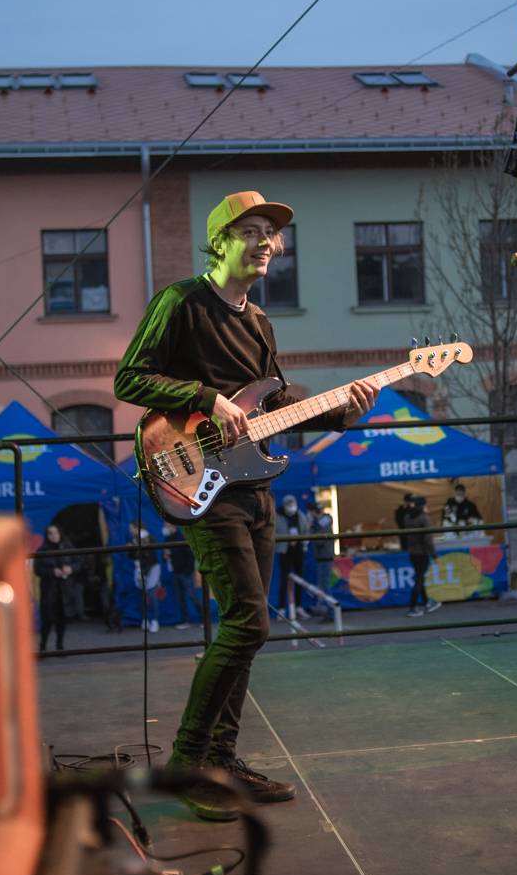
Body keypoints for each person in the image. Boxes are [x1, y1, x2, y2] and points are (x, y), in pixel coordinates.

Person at [115, 189, 377, 821]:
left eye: (273, 235)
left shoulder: (259, 323)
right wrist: (208, 398)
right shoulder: (181, 302)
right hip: (196, 482)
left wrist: (341, 411)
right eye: (255, 231)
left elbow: (275, 409)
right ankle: (186, 764)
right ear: (222, 241)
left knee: (248, 630)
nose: (269, 243)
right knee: (248, 622)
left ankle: (220, 759)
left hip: (252, 489)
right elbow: (129, 378)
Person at [35, 524, 77, 652]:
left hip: (64, 590)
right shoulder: (42, 550)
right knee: (47, 619)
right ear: (47, 535)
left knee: (62, 620)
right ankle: (43, 646)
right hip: (49, 590)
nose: (54, 536)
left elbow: (79, 562)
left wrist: (71, 569)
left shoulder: (68, 547)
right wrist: (52, 572)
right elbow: (37, 569)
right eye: (51, 533)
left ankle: (60, 646)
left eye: (56, 533)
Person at [396, 492, 439, 616]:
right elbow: (428, 539)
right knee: (419, 579)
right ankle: (413, 607)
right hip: (422, 553)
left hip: (412, 552)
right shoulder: (423, 518)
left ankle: (427, 603)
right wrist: (434, 555)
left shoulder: (407, 517)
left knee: (420, 577)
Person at [274, 495, 311, 621]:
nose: (291, 506)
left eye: (292, 503)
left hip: (298, 551)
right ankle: (282, 609)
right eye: (289, 504)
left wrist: (304, 545)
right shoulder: (277, 516)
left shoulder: (300, 515)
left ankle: (299, 607)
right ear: (284, 505)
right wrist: (287, 538)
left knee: (300, 579)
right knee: (284, 580)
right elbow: (272, 533)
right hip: (284, 551)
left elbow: (306, 531)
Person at [129, 520, 161, 634]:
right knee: (141, 596)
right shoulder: (133, 540)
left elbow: (151, 556)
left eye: (131, 528)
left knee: (151, 594)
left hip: (151, 568)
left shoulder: (149, 538)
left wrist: (145, 572)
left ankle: (155, 621)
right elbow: (132, 556)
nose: (130, 530)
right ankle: (145, 619)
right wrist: (130, 549)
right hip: (139, 570)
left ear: (136, 527)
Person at [164, 521, 197, 630]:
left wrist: (188, 570)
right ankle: (185, 621)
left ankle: (204, 619)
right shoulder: (168, 539)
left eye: (167, 526)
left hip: (185, 573)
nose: (165, 528)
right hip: (176, 572)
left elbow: (190, 555)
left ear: (173, 527)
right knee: (181, 599)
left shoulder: (181, 537)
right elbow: (167, 555)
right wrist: (166, 557)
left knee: (192, 596)